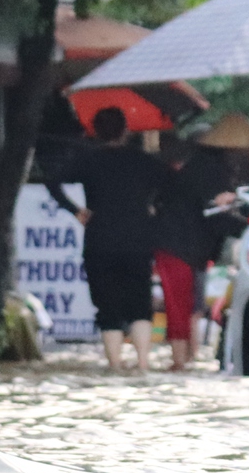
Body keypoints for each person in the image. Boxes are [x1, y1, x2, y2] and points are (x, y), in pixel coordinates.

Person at [44, 109, 169, 372]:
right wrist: (154, 205)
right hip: (137, 240)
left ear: (95, 132)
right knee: (139, 303)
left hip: (100, 240)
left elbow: (52, 181)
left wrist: (75, 210)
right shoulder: (143, 160)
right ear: (126, 130)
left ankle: (114, 364)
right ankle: (143, 363)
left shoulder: (88, 160)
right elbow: (173, 184)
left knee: (107, 305)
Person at [150, 128, 241, 369]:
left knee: (184, 304)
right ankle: (182, 361)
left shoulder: (193, 169)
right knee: (184, 305)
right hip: (182, 248)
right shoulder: (213, 172)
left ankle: (183, 359)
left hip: (181, 247)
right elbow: (219, 217)